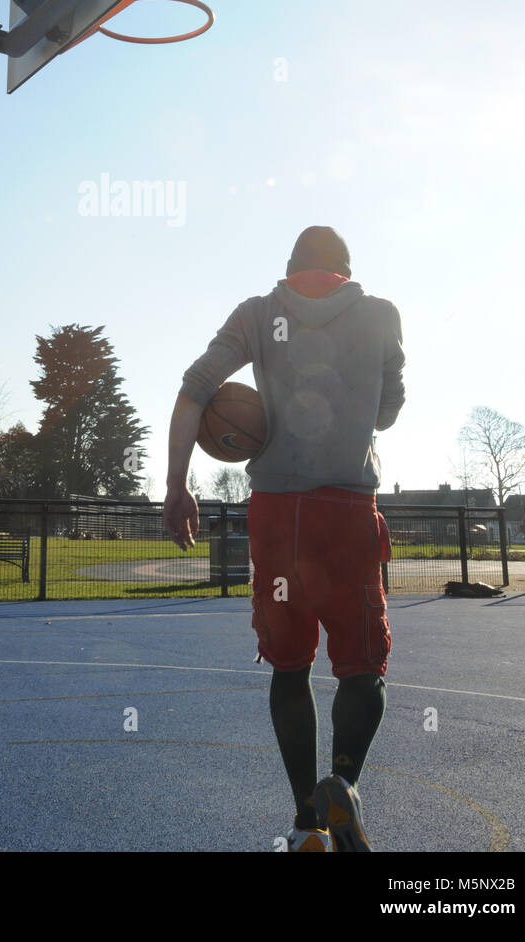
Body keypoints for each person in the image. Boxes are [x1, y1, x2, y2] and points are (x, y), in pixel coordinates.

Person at [162, 226, 405, 852]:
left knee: (289, 667)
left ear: (290, 267)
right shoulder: (381, 316)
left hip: (278, 516)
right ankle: (343, 784)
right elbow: (388, 411)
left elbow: (194, 391)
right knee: (363, 667)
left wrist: (177, 486)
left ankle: (306, 825)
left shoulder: (258, 314)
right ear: (346, 270)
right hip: (349, 511)